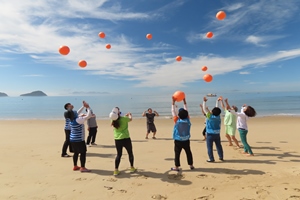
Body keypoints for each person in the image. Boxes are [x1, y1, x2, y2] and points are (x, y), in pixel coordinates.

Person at [109, 107, 136, 176]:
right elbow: (130, 119)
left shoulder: (112, 120)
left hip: (117, 139)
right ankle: (132, 167)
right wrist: (129, 115)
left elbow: (118, 118)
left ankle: (116, 170)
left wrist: (124, 115)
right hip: (126, 138)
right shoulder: (123, 119)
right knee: (130, 153)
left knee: (119, 154)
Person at [66, 101, 92, 172]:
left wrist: (83, 106)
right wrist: (88, 107)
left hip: (73, 139)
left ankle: (75, 166)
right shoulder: (78, 120)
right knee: (83, 153)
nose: (76, 112)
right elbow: (89, 116)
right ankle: (82, 167)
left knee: (76, 153)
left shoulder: (71, 119)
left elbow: (77, 112)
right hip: (79, 139)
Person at [171, 97, 194, 171]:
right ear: (187, 115)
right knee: (188, 152)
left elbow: (173, 111)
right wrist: (184, 101)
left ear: (179, 115)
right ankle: (191, 165)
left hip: (178, 140)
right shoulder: (188, 120)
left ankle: (177, 167)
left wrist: (173, 102)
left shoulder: (176, 120)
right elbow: (186, 110)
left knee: (177, 154)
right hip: (186, 139)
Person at [203, 97, 224, 162]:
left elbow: (204, 109)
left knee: (209, 147)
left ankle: (211, 158)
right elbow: (216, 109)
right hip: (217, 134)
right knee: (218, 145)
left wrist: (204, 102)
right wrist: (217, 101)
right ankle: (221, 156)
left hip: (210, 134)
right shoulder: (218, 117)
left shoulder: (209, 116)